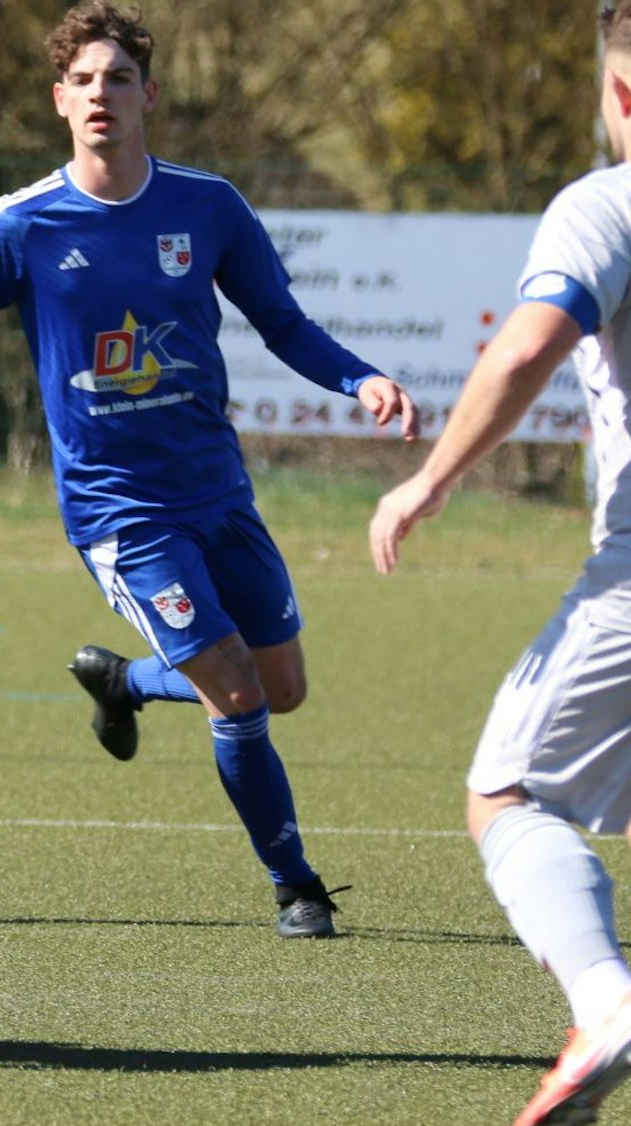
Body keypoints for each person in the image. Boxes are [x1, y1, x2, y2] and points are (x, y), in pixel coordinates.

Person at [0, 1, 419, 938]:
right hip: (120, 514)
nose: (102, 94)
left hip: (219, 494)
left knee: (282, 686)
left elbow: (283, 323)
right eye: (83, 81)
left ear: (149, 96)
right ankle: (295, 884)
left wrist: (360, 378)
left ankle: (128, 682)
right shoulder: (23, 223)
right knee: (238, 691)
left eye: (119, 79)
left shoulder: (208, 207)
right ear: (60, 100)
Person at [369, 8, 631, 1121]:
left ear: (618, 94)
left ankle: (606, 1005)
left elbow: (528, 343)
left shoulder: (606, 204)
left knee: (506, 795)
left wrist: (430, 478)